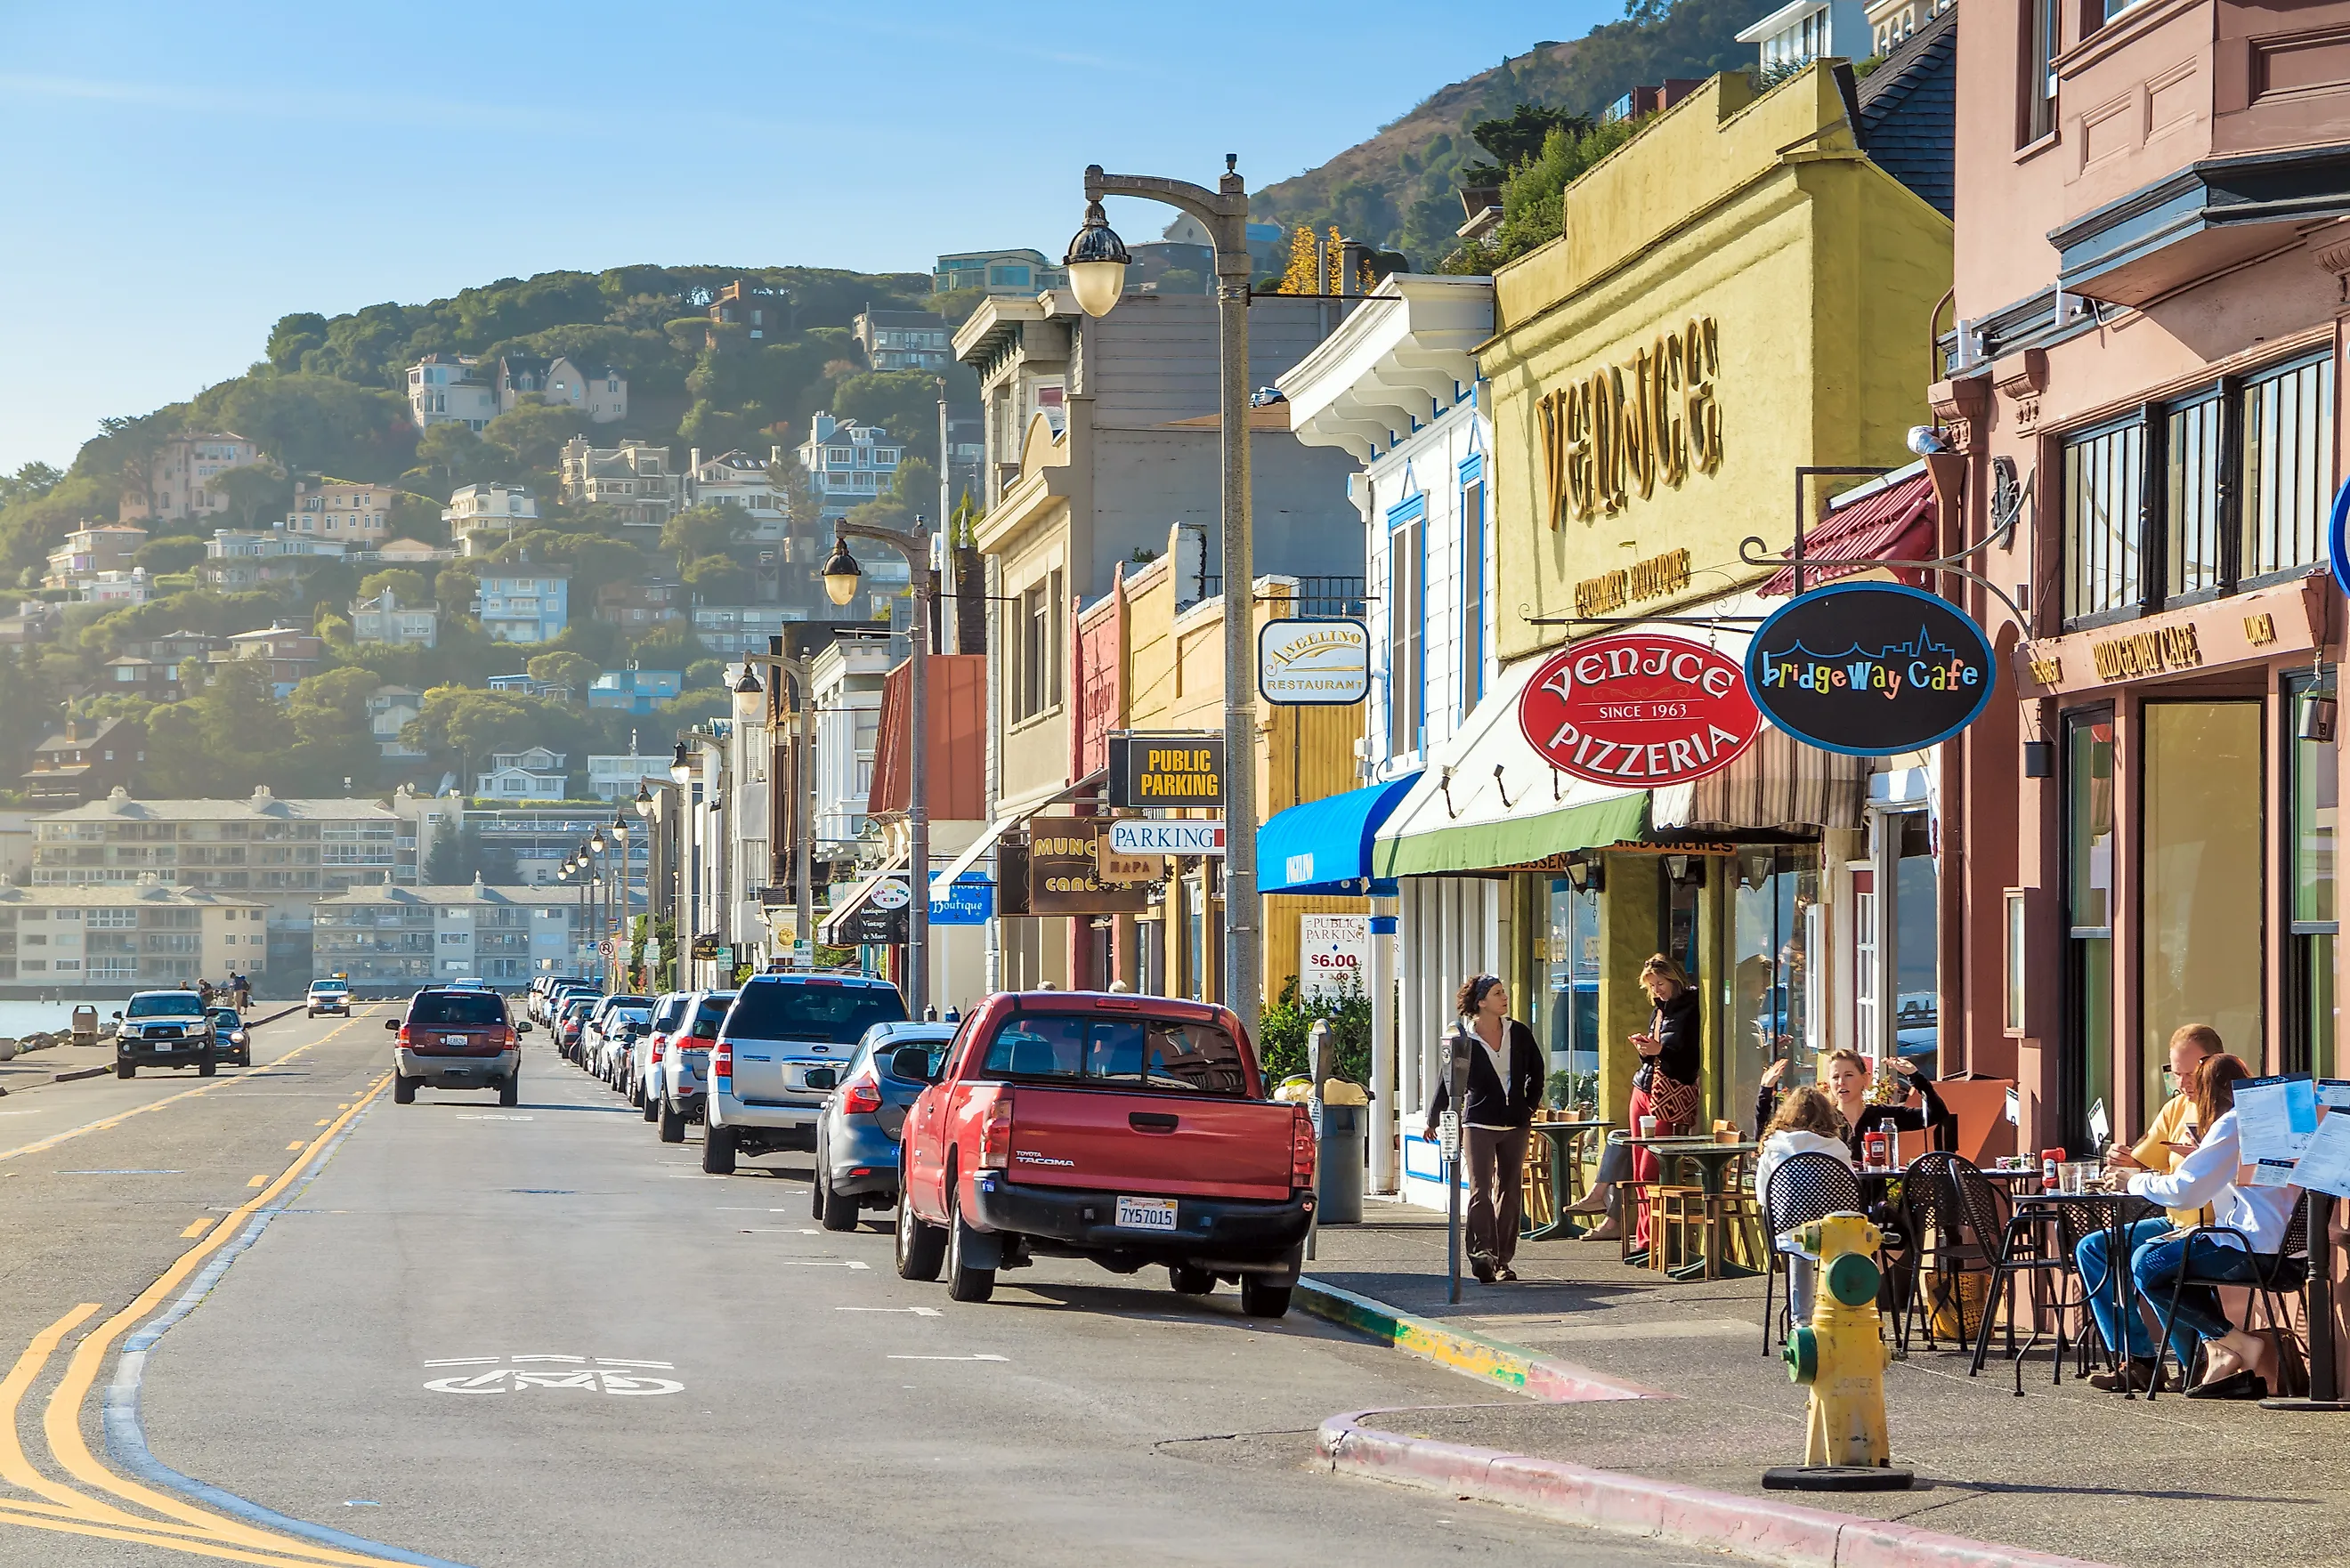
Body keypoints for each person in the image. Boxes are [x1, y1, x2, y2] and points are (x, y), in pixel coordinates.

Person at [2120, 1052, 2297, 1399]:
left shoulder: (2232, 1123)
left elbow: (2185, 1192)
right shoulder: (2280, 1121)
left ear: (2207, 1092)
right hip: (2295, 1255)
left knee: (2146, 1262)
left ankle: (2235, 1343)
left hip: (2253, 1250)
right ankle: (2218, 1346)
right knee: (2178, 1258)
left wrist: (2133, 1181)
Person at [2081, 1023, 2220, 1393]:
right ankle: (2139, 1360)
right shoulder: (2176, 1106)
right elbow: (2141, 1164)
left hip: (2217, 1224)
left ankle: (2196, 1361)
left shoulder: (2226, 1110)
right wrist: (2120, 1156)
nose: (2182, 1082)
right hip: (2177, 1220)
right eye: (2176, 1073)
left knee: (2150, 1256)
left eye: (2189, 1073)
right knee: (2094, 1248)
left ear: (2211, 1065)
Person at [1562, 954, 1701, 1252]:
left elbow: (1689, 1062)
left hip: (1667, 1095)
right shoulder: (1659, 1010)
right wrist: (1646, 1049)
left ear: (1674, 978)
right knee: (1638, 1167)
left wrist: (1659, 1049)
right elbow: (1656, 1054)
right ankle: (1643, 1236)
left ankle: (1654, 1239)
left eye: (1660, 984)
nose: (1657, 990)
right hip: (1644, 1086)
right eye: (1652, 986)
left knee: (1651, 1168)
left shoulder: (1690, 1009)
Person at [1422, 974, 1544, 1284]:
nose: (1504, 998)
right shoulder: (1464, 1039)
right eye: (1497, 993)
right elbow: (1447, 1080)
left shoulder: (1518, 1033)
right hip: (1477, 1122)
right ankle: (1482, 1253)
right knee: (1481, 1190)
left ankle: (1503, 1260)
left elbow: (1537, 1072)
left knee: (1510, 1189)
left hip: (1516, 1123)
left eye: (1504, 992)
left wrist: (1528, 1105)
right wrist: (1433, 1118)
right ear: (1481, 1002)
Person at [1754, 1086, 1854, 1324]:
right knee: (1837, 1243)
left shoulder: (1774, 1146)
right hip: (1834, 1230)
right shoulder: (1837, 1148)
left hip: (1790, 1227)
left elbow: (1762, 1193)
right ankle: (1841, 1315)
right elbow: (1850, 1190)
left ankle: (1800, 1321)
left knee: (1800, 1251)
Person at [1756, 1047, 1946, 1162]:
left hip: (1873, 1202)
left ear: (1865, 1079)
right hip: (1833, 1202)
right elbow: (1768, 1136)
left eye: (1849, 1075)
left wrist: (1915, 1077)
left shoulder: (1882, 1116)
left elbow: (1936, 1115)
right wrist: (1765, 1091)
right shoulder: (1820, 1117)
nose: (1841, 1083)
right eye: (1835, 1077)